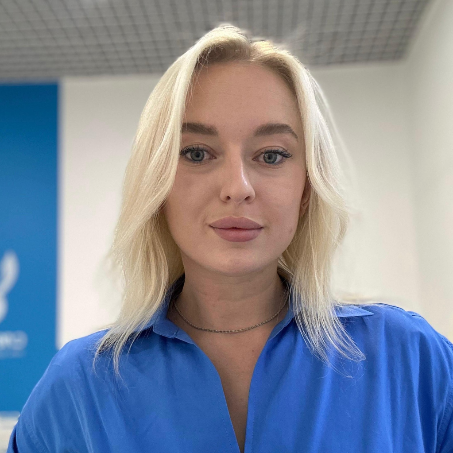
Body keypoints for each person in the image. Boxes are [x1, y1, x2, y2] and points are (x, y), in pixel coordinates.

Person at [7, 23, 453, 453]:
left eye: (272, 155)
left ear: (306, 188)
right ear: (157, 184)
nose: (237, 187)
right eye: (196, 153)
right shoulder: (77, 389)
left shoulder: (411, 359)